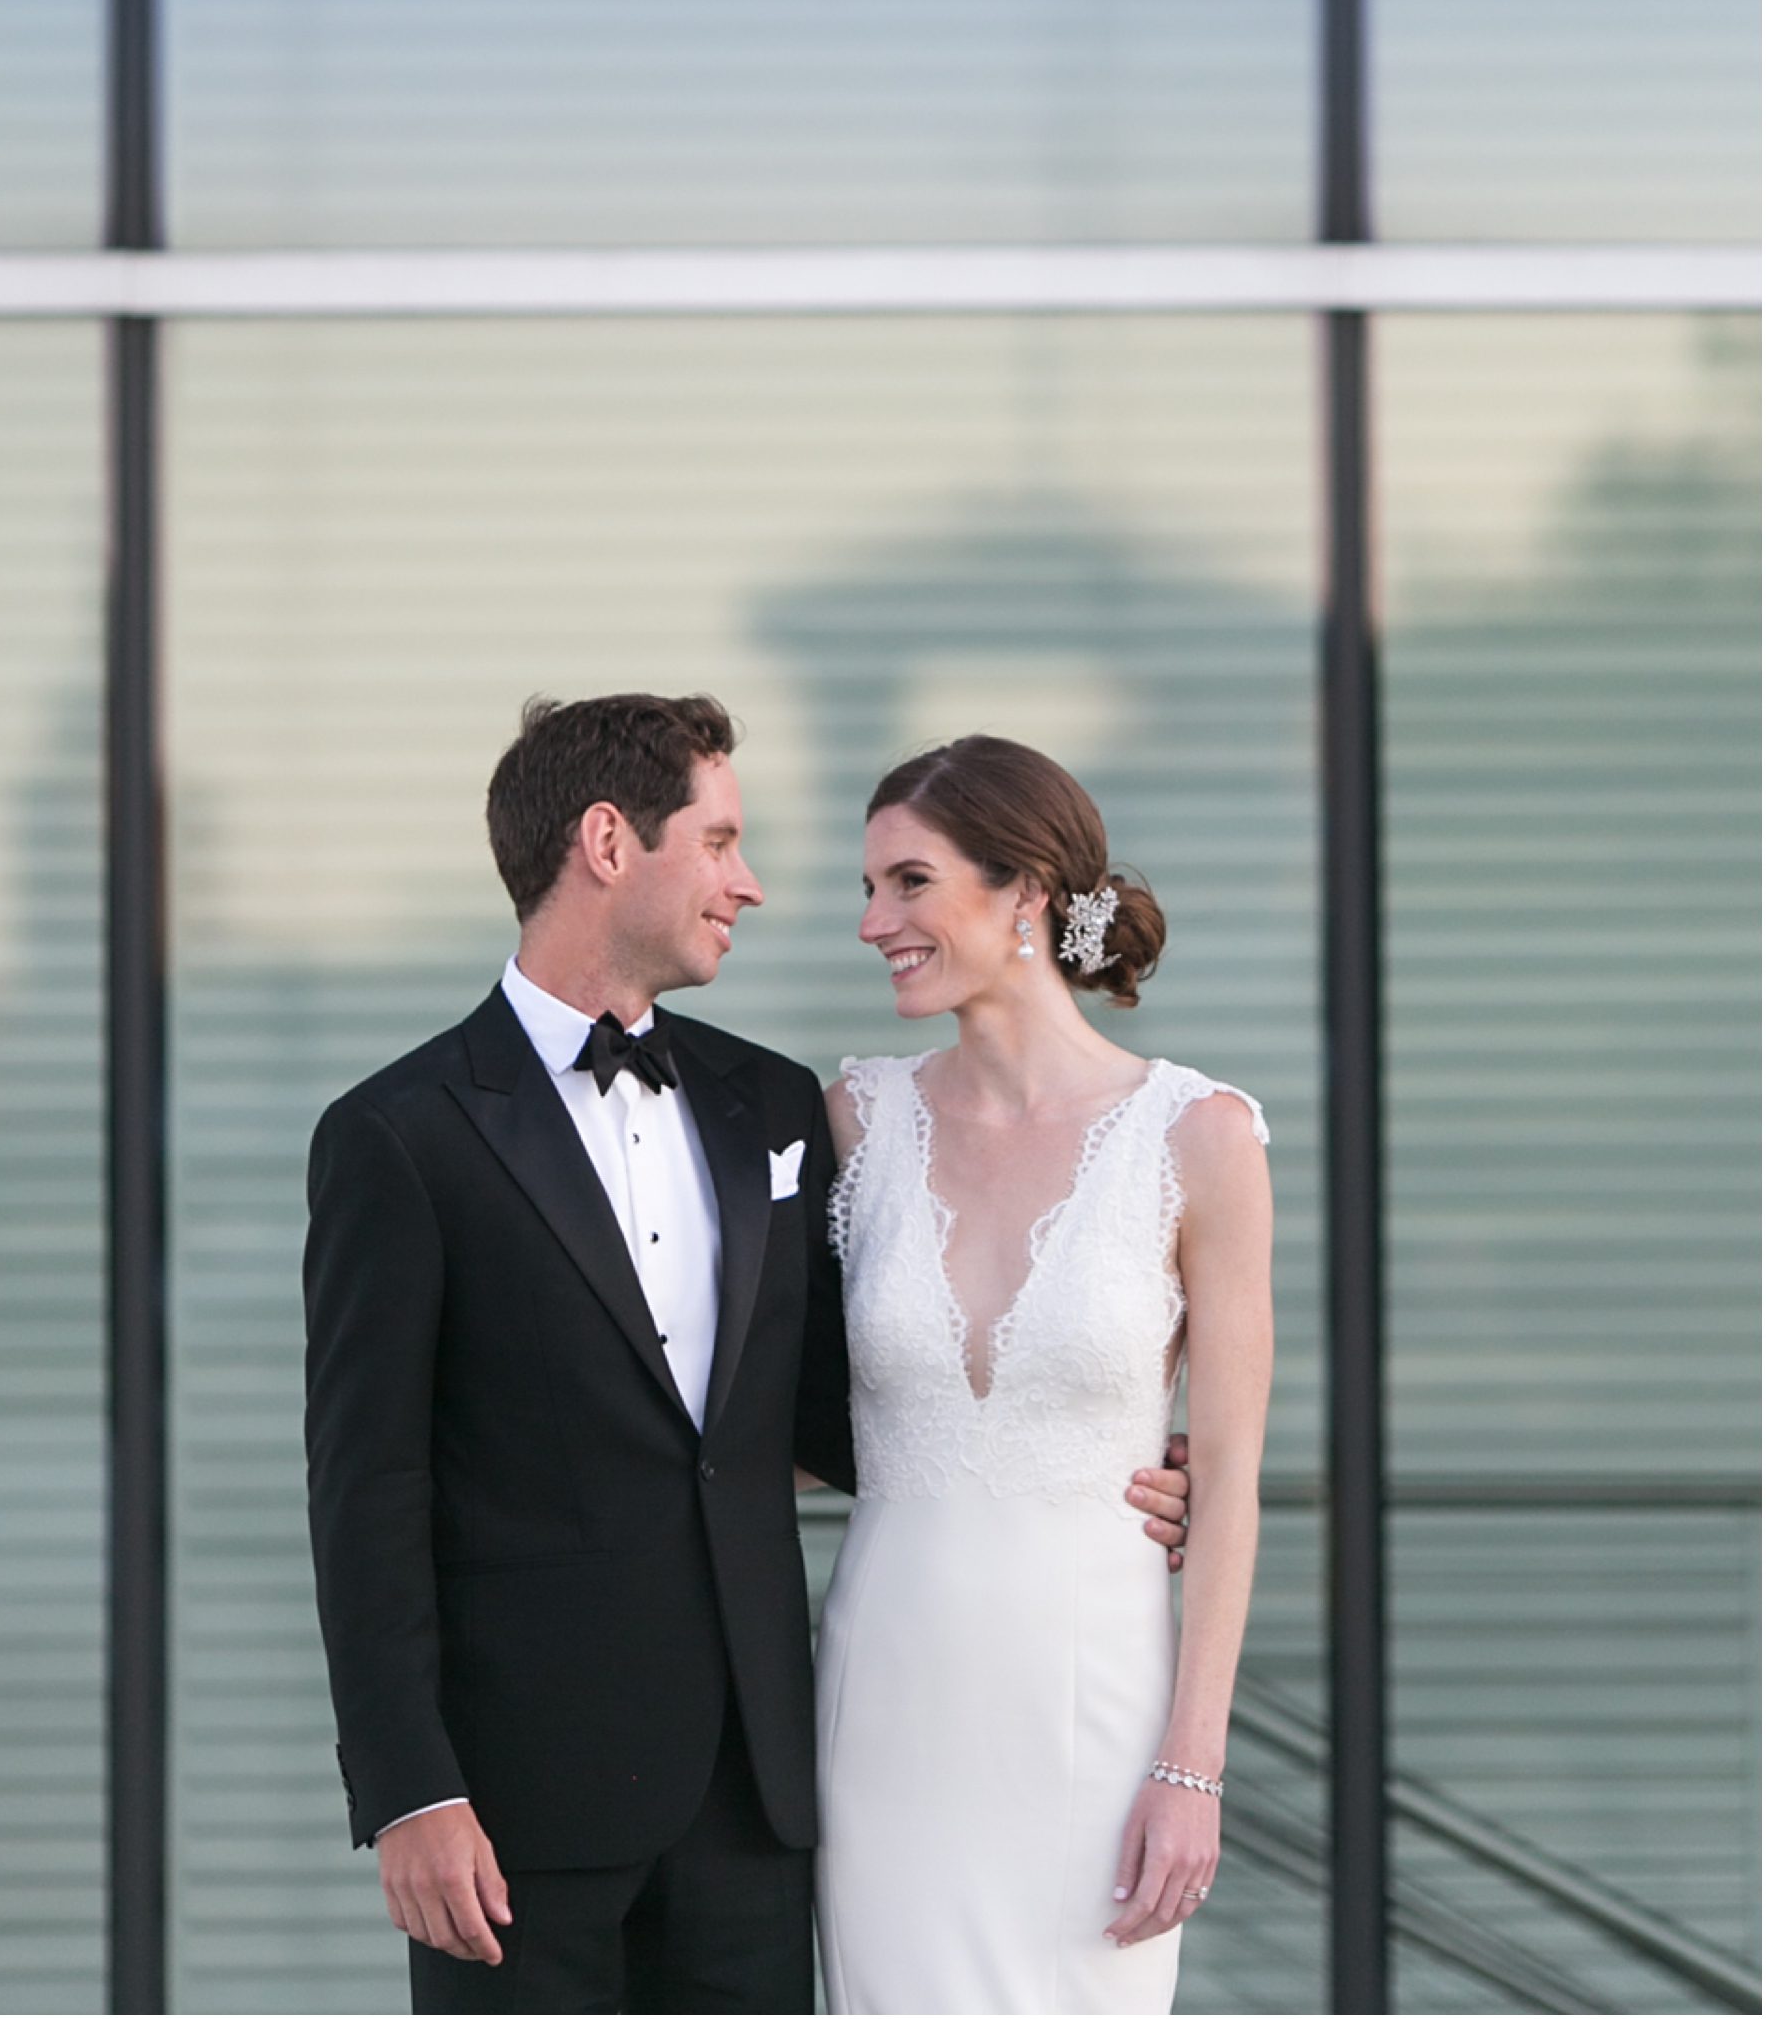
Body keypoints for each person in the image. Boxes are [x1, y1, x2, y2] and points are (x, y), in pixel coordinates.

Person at [305, 693, 1194, 2014]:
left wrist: (1099, 1460)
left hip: (760, 1804)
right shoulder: (401, 1135)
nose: (752, 883)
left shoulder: (772, 1105)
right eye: (720, 841)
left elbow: (842, 1409)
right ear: (609, 843)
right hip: (514, 1817)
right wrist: (411, 1790)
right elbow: (363, 1493)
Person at [815, 735, 1272, 2018]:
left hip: (1094, 1703)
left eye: (907, 883)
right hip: (885, 1705)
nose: (871, 922)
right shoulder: (853, 1121)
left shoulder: (1200, 1138)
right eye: (868, 888)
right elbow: (781, 1421)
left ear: (1023, 890)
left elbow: (1229, 1475)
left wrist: (1193, 1768)